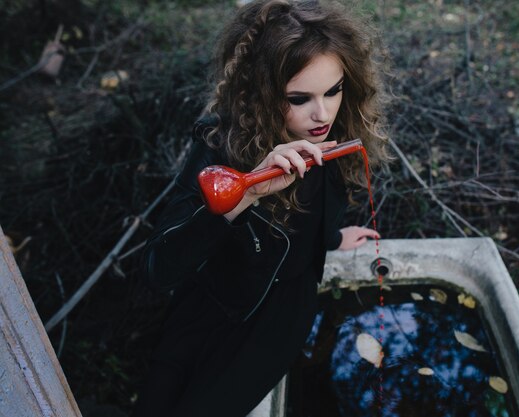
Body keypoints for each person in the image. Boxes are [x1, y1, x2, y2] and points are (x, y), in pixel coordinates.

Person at [131, 1, 389, 415]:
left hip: (280, 321)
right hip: (212, 310)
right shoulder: (220, 145)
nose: (321, 114)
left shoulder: (339, 136)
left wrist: (335, 238)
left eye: (333, 90)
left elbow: (311, 220)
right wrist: (249, 191)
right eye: (299, 98)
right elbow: (158, 269)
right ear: (263, 92)